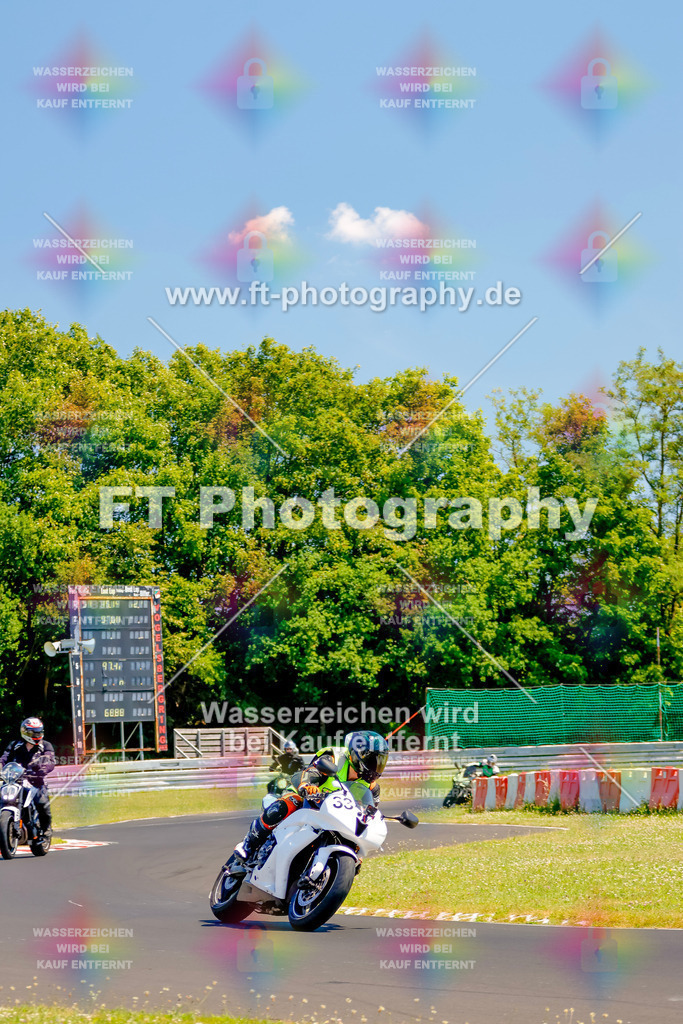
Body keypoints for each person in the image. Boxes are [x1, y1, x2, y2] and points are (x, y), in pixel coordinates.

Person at [232, 730, 389, 867]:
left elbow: (369, 814)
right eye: (372, 761)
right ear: (357, 755)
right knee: (290, 803)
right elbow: (311, 772)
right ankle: (248, 844)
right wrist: (307, 785)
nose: (376, 766)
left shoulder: (371, 787)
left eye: (381, 761)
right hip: (309, 798)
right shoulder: (334, 757)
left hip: (335, 815)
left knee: (356, 861)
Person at [1, 718, 56, 835]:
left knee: (42, 804)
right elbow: (4, 759)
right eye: (34, 733)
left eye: (39, 732)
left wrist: (43, 768)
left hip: (36, 782)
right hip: (14, 781)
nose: (37, 735)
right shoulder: (14, 745)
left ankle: (46, 830)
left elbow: (50, 760)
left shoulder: (46, 745)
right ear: (25, 732)